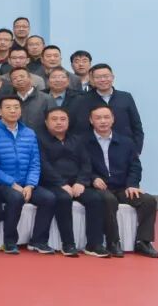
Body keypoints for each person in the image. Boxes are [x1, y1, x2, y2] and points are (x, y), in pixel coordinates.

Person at [85, 105, 158, 258]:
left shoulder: (126, 142)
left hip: (122, 187)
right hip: (99, 187)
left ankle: (143, 242)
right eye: (98, 118)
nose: (103, 121)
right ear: (91, 120)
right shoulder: (84, 142)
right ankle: (113, 242)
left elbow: (135, 166)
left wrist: (132, 184)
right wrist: (93, 178)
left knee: (148, 201)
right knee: (108, 200)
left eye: (106, 117)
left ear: (113, 119)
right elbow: (80, 166)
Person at [0, 95, 56, 254]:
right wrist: (12, 183)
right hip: (2, 183)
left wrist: (30, 185)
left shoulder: (29, 133)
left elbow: (35, 162)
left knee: (49, 198)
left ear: (21, 110)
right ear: (0, 111)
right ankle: (10, 241)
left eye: (16, 107)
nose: (13, 111)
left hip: (26, 183)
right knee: (16, 198)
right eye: (8, 107)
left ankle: (38, 241)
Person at [37, 107, 103, 257]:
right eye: (54, 119)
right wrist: (61, 183)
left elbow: (86, 163)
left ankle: (94, 244)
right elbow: (43, 165)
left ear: (68, 121)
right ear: (46, 122)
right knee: (64, 198)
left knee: (95, 199)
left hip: (77, 183)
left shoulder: (77, 140)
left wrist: (81, 182)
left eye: (63, 119)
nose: (59, 122)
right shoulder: (39, 140)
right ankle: (68, 244)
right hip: (52, 184)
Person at [70, 64, 144, 151]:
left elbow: (136, 125)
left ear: (112, 77)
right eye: (98, 77)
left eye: (106, 76)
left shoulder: (126, 97)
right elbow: (79, 128)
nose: (102, 80)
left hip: (124, 149)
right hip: (94, 150)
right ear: (92, 80)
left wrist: (136, 150)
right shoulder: (83, 100)